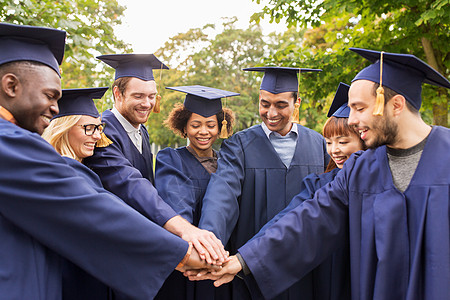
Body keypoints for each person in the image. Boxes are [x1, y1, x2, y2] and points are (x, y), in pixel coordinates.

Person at [193, 49, 450, 300]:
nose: (350, 120)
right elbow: (308, 221)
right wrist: (243, 260)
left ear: (395, 105)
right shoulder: (362, 168)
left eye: (359, 108)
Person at [0, 22, 214, 300]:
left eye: (151, 97)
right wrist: (180, 250)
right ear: (11, 86)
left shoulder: (142, 132)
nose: (55, 108)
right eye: (50, 95)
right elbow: (91, 201)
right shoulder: (9, 143)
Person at [198, 66, 329, 299]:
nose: (271, 112)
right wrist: (210, 241)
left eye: (280, 105)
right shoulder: (239, 145)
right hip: (253, 266)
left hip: (305, 265)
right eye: (264, 103)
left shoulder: (319, 145)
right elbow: (222, 194)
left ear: (296, 102)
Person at [84, 54, 227, 264]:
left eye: (152, 96)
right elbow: (131, 184)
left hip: (139, 246)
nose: (147, 103)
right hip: (113, 250)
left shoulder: (141, 130)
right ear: (118, 93)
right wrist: (184, 229)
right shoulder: (103, 133)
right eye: (139, 96)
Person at [154, 85, 238, 300]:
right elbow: (177, 205)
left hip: (224, 262)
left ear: (220, 127)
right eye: (195, 125)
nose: (203, 132)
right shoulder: (172, 159)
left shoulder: (229, 163)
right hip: (189, 260)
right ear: (184, 128)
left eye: (211, 125)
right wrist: (201, 256)